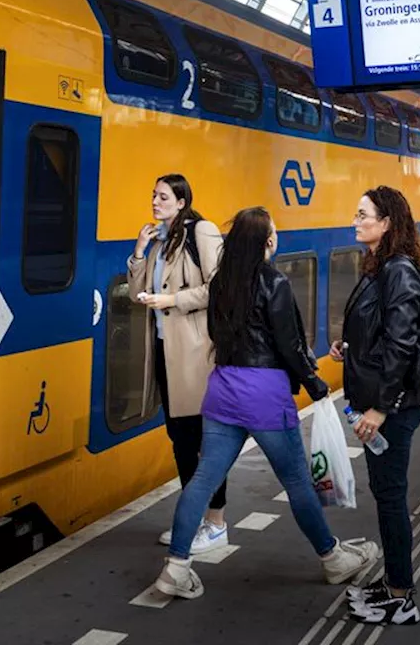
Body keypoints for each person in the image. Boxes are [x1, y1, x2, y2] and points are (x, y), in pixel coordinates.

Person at [154, 207, 380, 599]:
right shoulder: (274, 282)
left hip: (223, 388)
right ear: (267, 242)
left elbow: (213, 332)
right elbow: (290, 344)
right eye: (273, 234)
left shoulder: (221, 282)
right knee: (296, 481)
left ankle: (176, 567)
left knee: (203, 479)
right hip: (264, 393)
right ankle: (334, 559)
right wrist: (315, 384)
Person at [329, 186, 420, 626]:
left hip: (394, 407)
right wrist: (349, 347)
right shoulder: (380, 266)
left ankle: (401, 596)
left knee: (391, 497)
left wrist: (380, 409)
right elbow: (381, 334)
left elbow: (402, 345)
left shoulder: (399, 271)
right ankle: (395, 580)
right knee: (385, 493)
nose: (355, 220)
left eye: (362, 214)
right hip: (382, 399)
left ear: (387, 222)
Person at [128, 174, 227, 554]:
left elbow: (218, 288)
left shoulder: (202, 232)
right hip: (165, 352)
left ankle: (216, 522)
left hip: (195, 355)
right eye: (153, 195)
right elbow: (139, 292)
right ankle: (193, 519)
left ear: (182, 201)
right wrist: (139, 249)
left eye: (163, 196)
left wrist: (173, 302)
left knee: (203, 440)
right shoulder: (158, 239)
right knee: (180, 440)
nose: (155, 201)